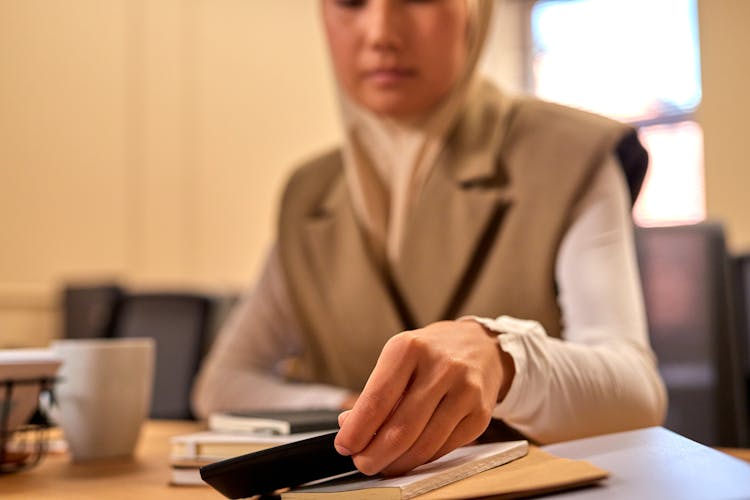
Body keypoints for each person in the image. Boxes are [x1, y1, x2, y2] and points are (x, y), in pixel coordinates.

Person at [192, 0, 666, 477]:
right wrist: (355, 407)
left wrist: (502, 359)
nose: (380, 33)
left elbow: (636, 393)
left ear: (474, 13)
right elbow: (222, 383)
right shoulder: (309, 192)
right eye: (350, 3)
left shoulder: (568, 153)